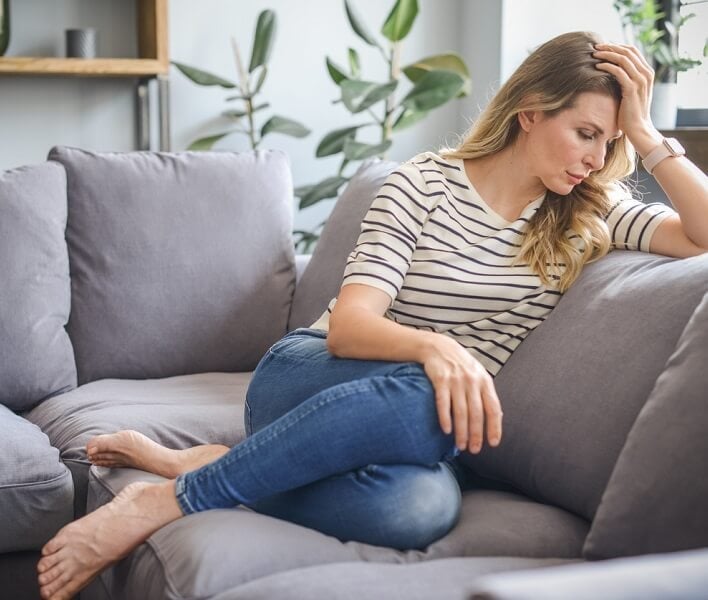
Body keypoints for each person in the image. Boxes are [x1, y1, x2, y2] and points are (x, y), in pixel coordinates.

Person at [37, 30, 708, 600]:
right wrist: (437, 349)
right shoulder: (421, 185)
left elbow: (702, 234)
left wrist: (648, 138)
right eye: (585, 132)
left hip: (431, 423)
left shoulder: (590, 211)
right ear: (530, 111)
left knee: (419, 508)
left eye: (609, 140)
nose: (596, 157)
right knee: (429, 392)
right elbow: (355, 326)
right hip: (315, 375)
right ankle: (169, 499)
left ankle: (210, 465)